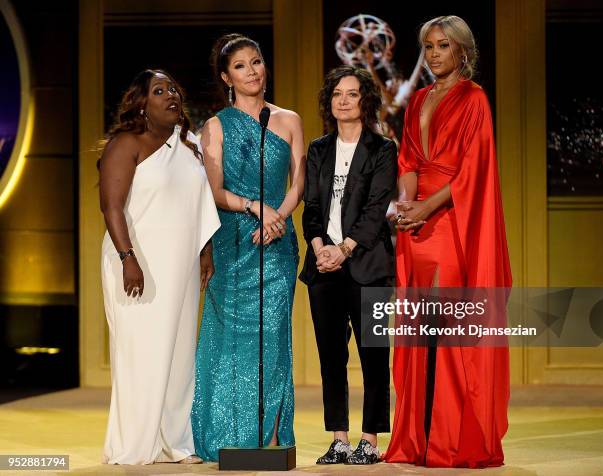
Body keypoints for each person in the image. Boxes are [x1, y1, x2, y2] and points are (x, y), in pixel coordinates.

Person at [383, 16, 513, 468]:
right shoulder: (418, 97)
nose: (435, 53)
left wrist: (427, 207)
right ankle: (417, 440)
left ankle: (452, 440)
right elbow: (407, 159)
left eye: (443, 46)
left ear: (462, 51)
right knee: (419, 334)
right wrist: (404, 203)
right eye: (428, 46)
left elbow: (474, 169)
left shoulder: (475, 99)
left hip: (451, 220)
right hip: (415, 225)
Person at [190, 34, 305, 461]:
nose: (252, 71)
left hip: (277, 244)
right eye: (240, 66)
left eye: (256, 61)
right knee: (231, 343)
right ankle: (230, 435)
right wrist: (255, 207)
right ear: (226, 77)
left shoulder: (289, 119)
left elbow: (300, 181)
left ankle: (273, 440)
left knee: (274, 337)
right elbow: (215, 192)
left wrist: (278, 216)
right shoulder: (216, 126)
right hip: (234, 241)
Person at [99, 69, 220, 465]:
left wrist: (204, 252)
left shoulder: (187, 145)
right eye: (159, 90)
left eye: (173, 90)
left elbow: (199, 202)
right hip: (137, 264)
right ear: (141, 102)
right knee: (142, 353)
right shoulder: (126, 144)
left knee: (179, 354)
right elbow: (111, 206)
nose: (171, 96)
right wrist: (127, 258)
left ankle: (175, 444)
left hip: (180, 266)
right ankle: (135, 445)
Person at [300, 65, 397, 465]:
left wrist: (345, 248)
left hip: (367, 265)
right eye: (337, 93)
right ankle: (339, 437)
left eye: (352, 93)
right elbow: (312, 208)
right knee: (331, 357)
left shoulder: (382, 148)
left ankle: (369, 440)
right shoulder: (319, 148)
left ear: (365, 101)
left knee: (373, 354)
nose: (343, 100)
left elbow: (376, 212)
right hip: (325, 268)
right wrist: (320, 246)